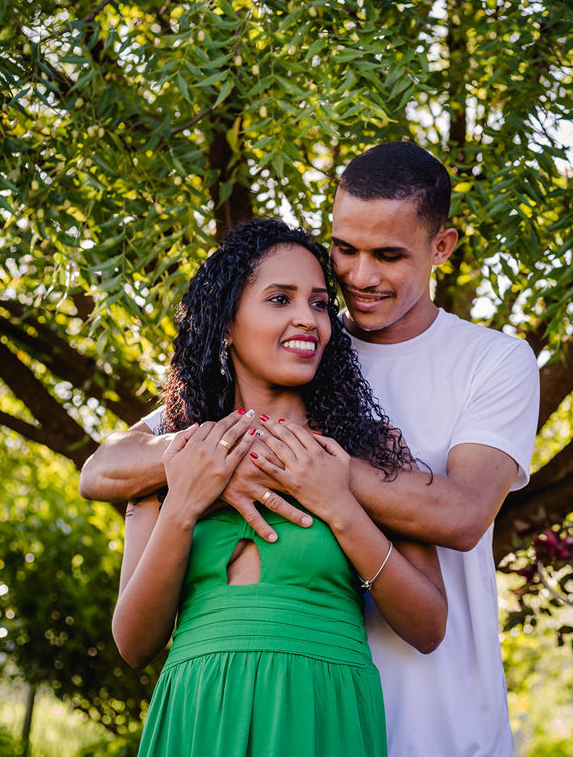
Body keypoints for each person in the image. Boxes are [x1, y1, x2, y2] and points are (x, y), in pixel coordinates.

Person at [82, 141, 540, 757]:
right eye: (344, 251)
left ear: (441, 248)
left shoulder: (489, 363)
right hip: (211, 716)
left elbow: (460, 515)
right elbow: (106, 467)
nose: (358, 276)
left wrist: (323, 479)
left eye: (388, 255)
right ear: (228, 321)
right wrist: (220, 465)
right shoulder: (279, 368)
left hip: (424, 719)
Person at [112, 218, 446, 756]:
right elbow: (133, 644)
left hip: (322, 715)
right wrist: (185, 505)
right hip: (198, 717)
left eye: (318, 303)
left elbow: (429, 626)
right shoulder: (173, 455)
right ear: (224, 322)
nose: (306, 318)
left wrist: (340, 506)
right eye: (279, 299)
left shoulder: (369, 449)